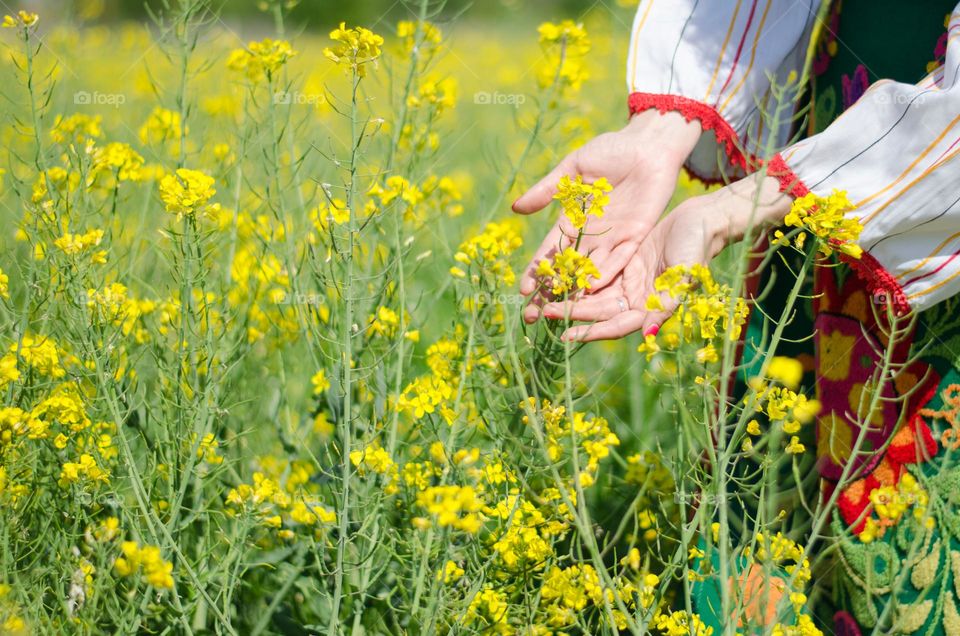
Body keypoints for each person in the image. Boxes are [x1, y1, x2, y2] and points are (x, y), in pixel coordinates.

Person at [515, 2, 960, 633]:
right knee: (774, 493)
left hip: (922, 196)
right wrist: (660, 129)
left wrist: (737, 207)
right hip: (836, 141)